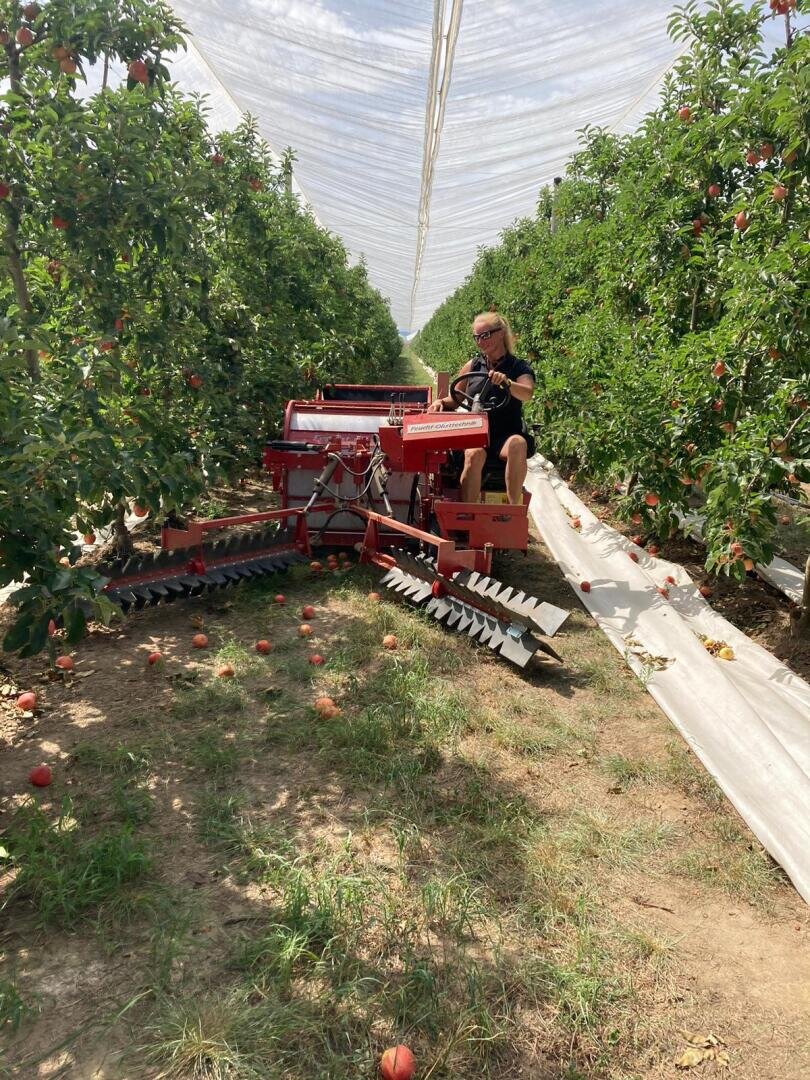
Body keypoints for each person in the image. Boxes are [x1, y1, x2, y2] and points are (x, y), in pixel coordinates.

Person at [427, 311, 535, 504]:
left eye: (485, 335)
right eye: (476, 337)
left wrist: (508, 383)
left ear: (501, 333)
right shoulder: (473, 365)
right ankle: (468, 512)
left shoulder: (519, 367)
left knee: (518, 444)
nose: (480, 341)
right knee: (473, 453)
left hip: (505, 435)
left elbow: (527, 393)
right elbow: (456, 397)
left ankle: (513, 509)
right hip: (475, 434)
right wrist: (441, 402)